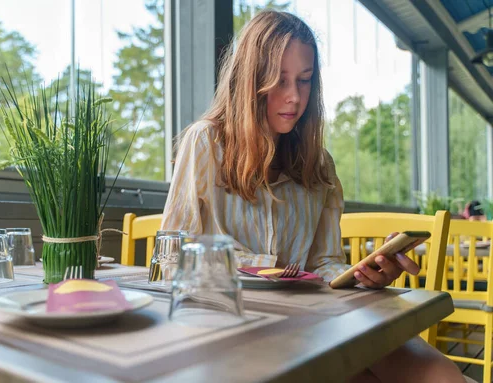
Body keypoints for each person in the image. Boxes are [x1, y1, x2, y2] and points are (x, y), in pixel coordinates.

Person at [161, 10, 464, 383]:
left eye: (304, 81)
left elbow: (325, 264)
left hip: (320, 322)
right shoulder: (206, 143)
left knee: (441, 376)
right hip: (232, 325)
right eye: (279, 81)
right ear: (249, 81)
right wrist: (267, 267)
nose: (294, 97)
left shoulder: (319, 164)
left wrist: (365, 275)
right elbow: (171, 256)